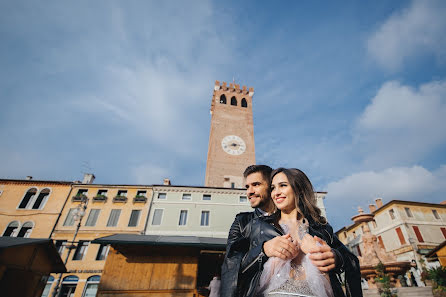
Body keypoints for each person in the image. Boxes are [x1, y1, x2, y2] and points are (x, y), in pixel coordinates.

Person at [221, 165, 362, 297]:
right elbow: (231, 267)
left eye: (282, 185)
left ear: (298, 189)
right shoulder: (255, 225)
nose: (276, 192)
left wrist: (336, 257)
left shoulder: (321, 228)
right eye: (273, 188)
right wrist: (264, 249)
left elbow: (350, 260)